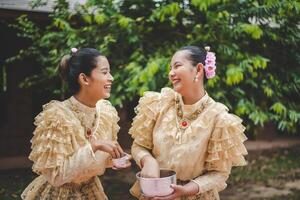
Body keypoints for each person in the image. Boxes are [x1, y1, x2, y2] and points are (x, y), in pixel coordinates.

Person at [129, 46, 248, 200]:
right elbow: (139, 146)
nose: (171, 73)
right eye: (170, 68)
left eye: (177, 66)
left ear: (198, 70)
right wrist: (148, 161)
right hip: (156, 194)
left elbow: (219, 173)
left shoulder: (220, 119)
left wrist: (186, 190)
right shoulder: (158, 104)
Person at [21, 47, 130, 200]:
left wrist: (112, 160)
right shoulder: (57, 116)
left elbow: (91, 162)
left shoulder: (106, 112)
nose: (111, 78)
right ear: (84, 79)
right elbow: (56, 176)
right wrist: (94, 146)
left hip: (92, 192)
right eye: (105, 72)